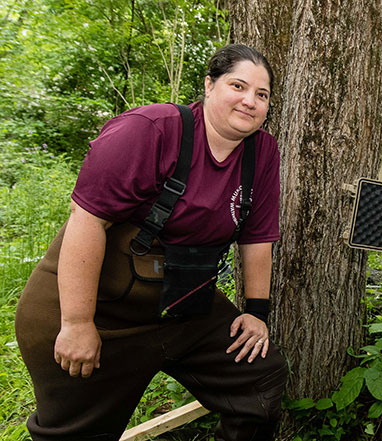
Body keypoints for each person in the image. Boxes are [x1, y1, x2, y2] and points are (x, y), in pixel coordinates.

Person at [15, 44, 287, 441]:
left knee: (259, 380)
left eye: (261, 95)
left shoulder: (262, 152)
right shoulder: (152, 128)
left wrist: (256, 312)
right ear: (209, 86)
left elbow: (258, 237)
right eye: (238, 86)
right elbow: (85, 222)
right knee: (73, 433)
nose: (250, 101)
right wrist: (77, 324)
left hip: (182, 303)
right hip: (96, 306)